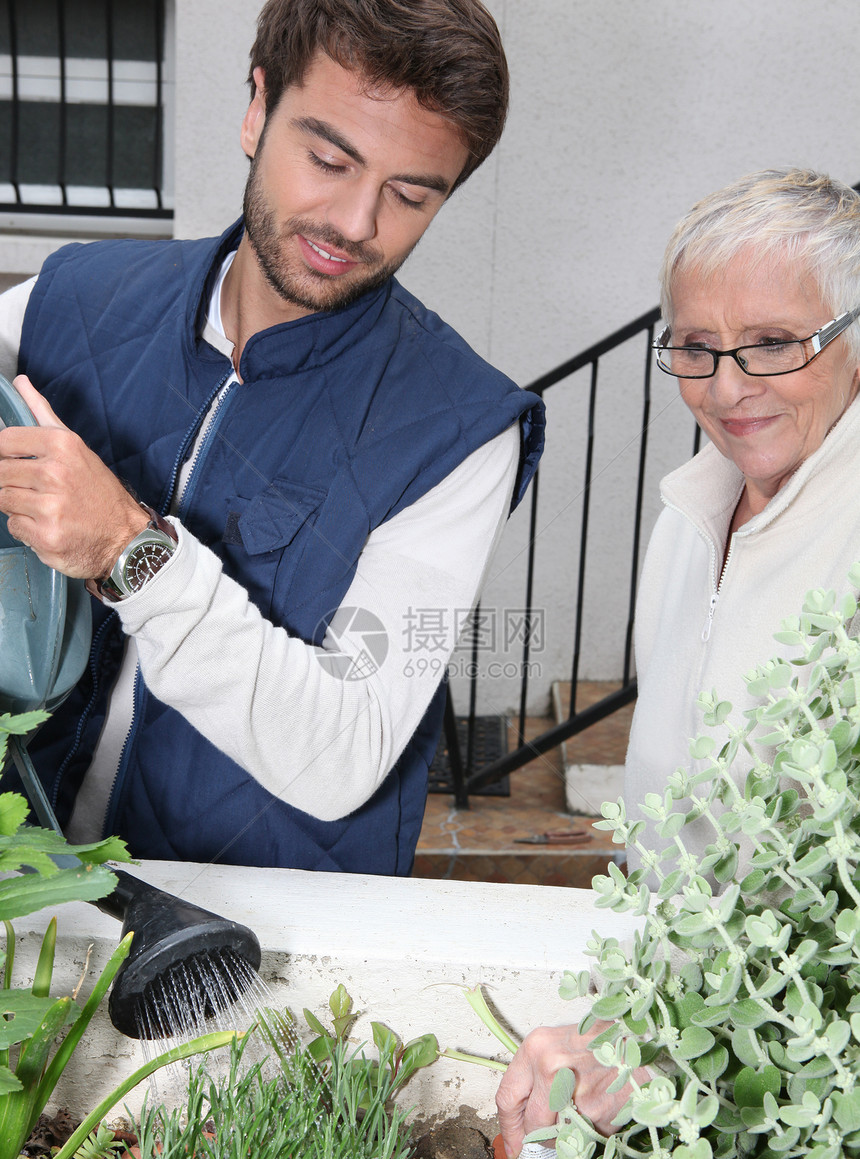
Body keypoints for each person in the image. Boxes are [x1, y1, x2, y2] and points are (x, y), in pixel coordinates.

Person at [0, 0, 543, 874]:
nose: (358, 222)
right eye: (330, 159)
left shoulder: (462, 431)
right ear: (258, 108)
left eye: (410, 194)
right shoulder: (72, 298)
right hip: (27, 890)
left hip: (257, 946)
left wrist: (126, 549)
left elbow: (344, 752)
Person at [496, 167, 860, 1159]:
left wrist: (678, 1037)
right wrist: (632, 1019)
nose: (727, 386)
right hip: (663, 1058)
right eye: (695, 349)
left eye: (774, 344)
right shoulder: (689, 510)